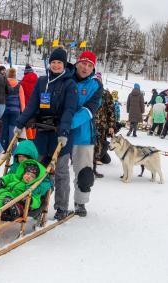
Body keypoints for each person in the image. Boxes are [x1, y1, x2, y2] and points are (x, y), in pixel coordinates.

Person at [14, 47, 78, 220]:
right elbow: (32, 104)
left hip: (60, 134)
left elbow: (69, 110)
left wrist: (64, 131)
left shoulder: (70, 84)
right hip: (42, 132)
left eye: (59, 62)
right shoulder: (42, 81)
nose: (56, 65)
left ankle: (61, 207)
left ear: (64, 64)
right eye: (53, 62)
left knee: (61, 172)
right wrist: (20, 123)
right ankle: (34, 203)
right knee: (36, 169)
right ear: (49, 63)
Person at [70, 50, 102, 216]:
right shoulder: (65, 78)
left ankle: (80, 202)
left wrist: (68, 123)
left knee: (84, 174)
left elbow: (90, 109)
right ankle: (43, 201)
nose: (85, 68)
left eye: (90, 65)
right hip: (59, 132)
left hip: (83, 135)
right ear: (77, 63)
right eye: (83, 63)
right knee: (49, 170)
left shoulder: (95, 85)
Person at [93, 88, 115, 178]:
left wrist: (111, 125)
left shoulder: (106, 93)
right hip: (89, 123)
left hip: (102, 125)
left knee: (101, 144)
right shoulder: (89, 90)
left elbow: (111, 111)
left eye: (99, 79)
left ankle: (96, 158)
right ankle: (91, 159)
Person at [1, 67, 25, 149]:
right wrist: (23, 112)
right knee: (13, 130)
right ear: (15, 75)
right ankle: (12, 148)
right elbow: (22, 101)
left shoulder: (3, 84)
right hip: (15, 111)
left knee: (4, 128)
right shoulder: (19, 86)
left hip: (4, 109)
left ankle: (3, 147)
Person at [20, 64, 38, 140]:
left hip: (27, 106)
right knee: (35, 124)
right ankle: (34, 138)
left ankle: (30, 139)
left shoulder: (22, 83)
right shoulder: (38, 81)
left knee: (27, 124)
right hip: (36, 107)